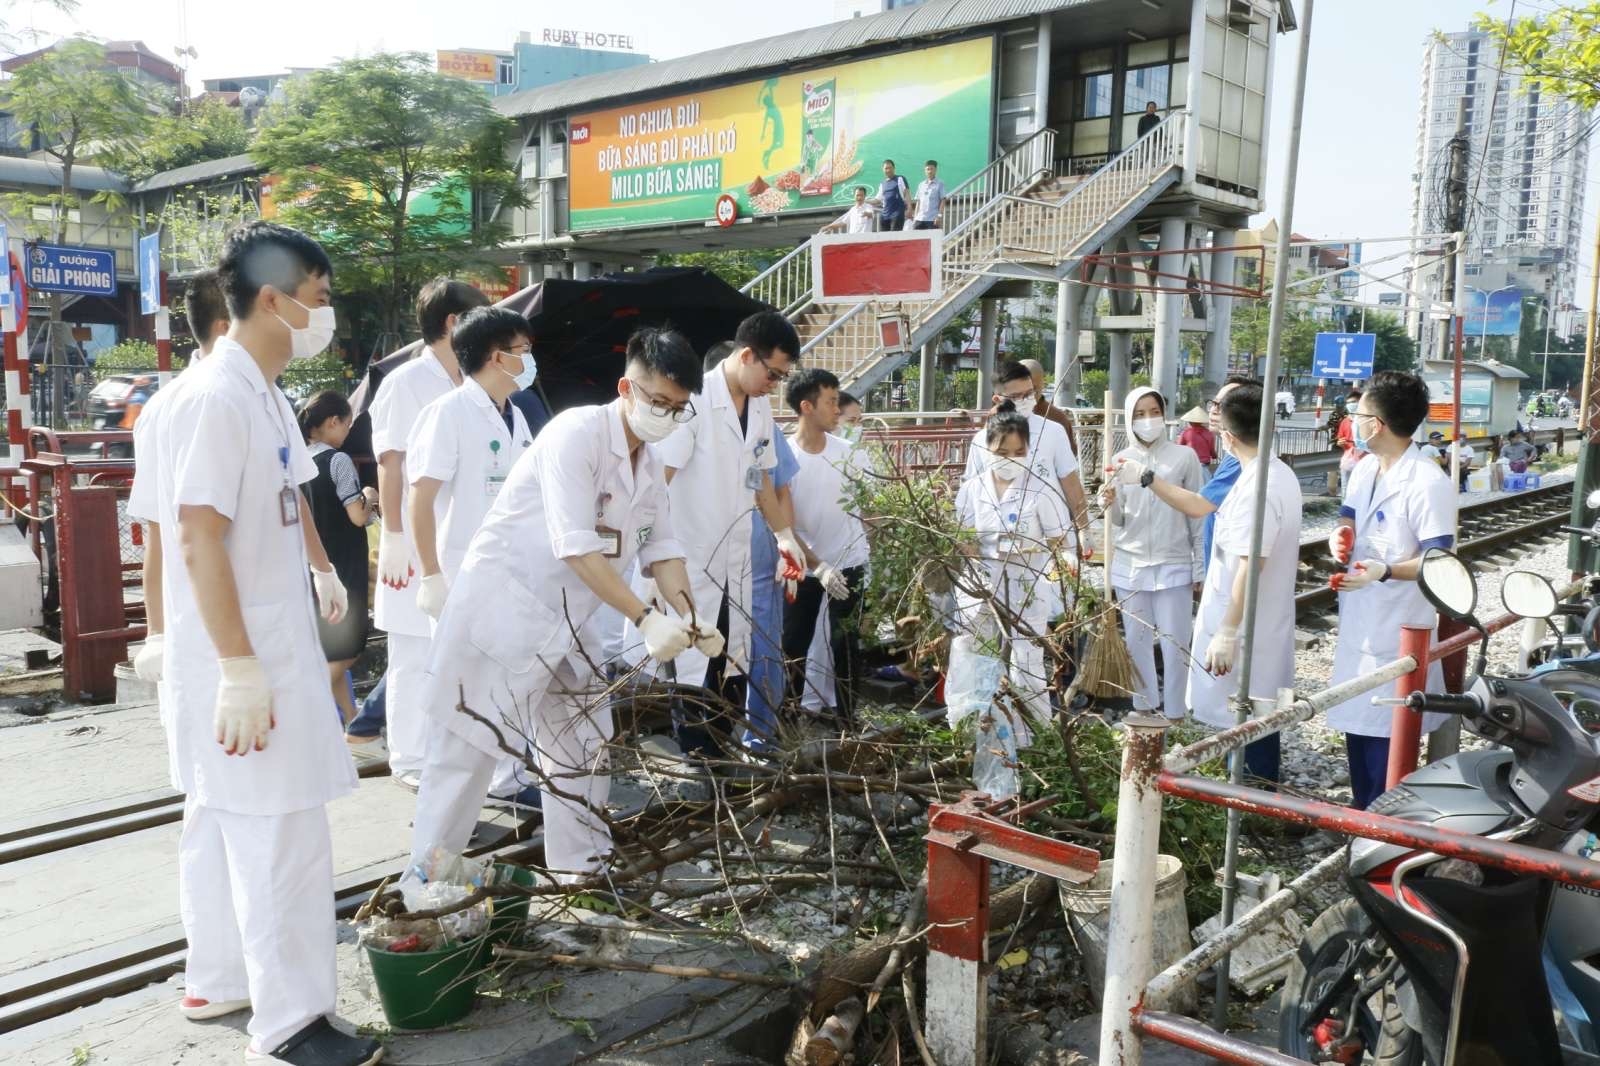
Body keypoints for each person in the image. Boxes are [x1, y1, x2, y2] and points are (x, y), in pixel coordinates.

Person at [144, 221, 379, 1065]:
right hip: (246, 661)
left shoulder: (264, 395)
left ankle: (223, 977)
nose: (329, 314)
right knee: (280, 836)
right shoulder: (214, 399)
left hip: (271, 645)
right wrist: (237, 665)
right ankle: (290, 1027)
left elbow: (282, 509)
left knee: (224, 822)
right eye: (319, 297)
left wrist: (318, 573)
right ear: (274, 300)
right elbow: (195, 537)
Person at [409, 328, 705, 882]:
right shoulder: (577, 434)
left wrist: (688, 615)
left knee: (585, 741)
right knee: (467, 754)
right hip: (505, 612)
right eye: (659, 403)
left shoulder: (648, 462)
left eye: (678, 408)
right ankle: (423, 889)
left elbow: (662, 548)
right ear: (626, 388)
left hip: (571, 622)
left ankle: (582, 870)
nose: (666, 416)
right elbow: (575, 544)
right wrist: (644, 618)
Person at [642, 311, 808, 755]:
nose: (775, 383)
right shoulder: (694, 401)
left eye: (782, 377)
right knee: (694, 664)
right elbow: (660, 483)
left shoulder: (759, 407)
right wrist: (649, 553)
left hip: (735, 561)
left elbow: (764, 483)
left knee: (730, 659)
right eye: (772, 373)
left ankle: (719, 747)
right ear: (747, 355)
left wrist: (784, 535)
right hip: (691, 560)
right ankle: (698, 756)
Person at [405, 306, 538, 808]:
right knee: (457, 690)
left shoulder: (517, 416)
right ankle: (439, 803)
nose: (529, 360)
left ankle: (508, 779)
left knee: (506, 682)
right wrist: (431, 575)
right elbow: (420, 499)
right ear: (496, 356)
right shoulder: (448, 414)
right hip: (459, 576)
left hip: (511, 575)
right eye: (523, 352)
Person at [363, 278, 489, 782]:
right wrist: (393, 536)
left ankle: (446, 755)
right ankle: (410, 759)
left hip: (458, 538)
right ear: (454, 324)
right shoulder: (406, 382)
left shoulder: (472, 380)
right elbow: (391, 463)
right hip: (415, 541)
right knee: (413, 652)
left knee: (452, 652)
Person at [1323, 372, 1457, 809]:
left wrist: (1385, 571)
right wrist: (1340, 536)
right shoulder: (1364, 469)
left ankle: (1383, 835)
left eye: (1359, 415)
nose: (1353, 422)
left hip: (1398, 626)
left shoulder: (1427, 481)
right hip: (1361, 619)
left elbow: (1439, 562)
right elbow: (1349, 518)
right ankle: (1362, 821)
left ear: (1376, 423)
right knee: (1356, 730)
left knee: (1388, 742)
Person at [1179, 384, 1299, 784]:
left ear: (1228, 437)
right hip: (1254, 620)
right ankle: (1250, 794)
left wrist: (1228, 631)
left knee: (1248, 720)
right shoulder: (1270, 473)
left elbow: (1251, 564)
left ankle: (1252, 801)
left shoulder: (1258, 487)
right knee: (1248, 717)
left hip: (1248, 626)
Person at [131, 270, 231, 687]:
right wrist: (155, 633)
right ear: (226, 326)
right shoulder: (168, 406)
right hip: (197, 619)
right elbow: (159, 527)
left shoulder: (264, 395)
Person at [954, 403, 1070, 745]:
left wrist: (1061, 558)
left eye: (1019, 452)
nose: (1010, 458)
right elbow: (961, 536)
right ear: (987, 449)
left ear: (1028, 451)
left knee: (1027, 664)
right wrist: (974, 552)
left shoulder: (1040, 489)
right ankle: (979, 737)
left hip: (1025, 588)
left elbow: (1060, 538)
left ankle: (1035, 740)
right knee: (981, 661)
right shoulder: (973, 489)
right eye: (1002, 451)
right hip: (982, 588)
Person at [1101, 387, 1204, 721]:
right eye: (1140, 414)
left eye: (1154, 411)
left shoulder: (1183, 457)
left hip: (1174, 563)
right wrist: (1109, 501)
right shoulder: (1118, 461)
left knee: (1176, 644)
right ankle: (1143, 706)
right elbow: (1118, 520)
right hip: (1130, 564)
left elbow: (1197, 513)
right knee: (1137, 642)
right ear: (1129, 420)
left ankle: (1175, 712)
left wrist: (1199, 567)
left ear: (1164, 414)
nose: (1148, 420)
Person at [783, 368, 872, 719]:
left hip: (850, 563)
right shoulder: (785, 457)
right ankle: (787, 720)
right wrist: (817, 565)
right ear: (807, 406)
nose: (838, 410)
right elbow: (783, 525)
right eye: (831, 402)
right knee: (794, 643)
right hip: (802, 566)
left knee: (845, 644)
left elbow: (872, 510)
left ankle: (848, 721)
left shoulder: (851, 454)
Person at [299, 391, 377, 726]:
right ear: (333, 422)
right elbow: (357, 517)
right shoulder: (338, 461)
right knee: (349, 649)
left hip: (316, 564)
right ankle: (304, 705)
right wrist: (371, 496)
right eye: (346, 425)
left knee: (331, 646)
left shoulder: (300, 462)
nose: (347, 433)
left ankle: (352, 719)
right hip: (345, 563)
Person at [961, 361, 1089, 553]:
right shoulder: (982, 440)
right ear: (998, 399)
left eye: (1029, 393)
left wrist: (1084, 529)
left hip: (1050, 541)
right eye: (1016, 396)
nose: (1026, 400)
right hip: (995, 548)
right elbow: (971, 490)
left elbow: (1070, 482)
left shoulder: (1052, 431)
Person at [1018, 357, 1080, 457]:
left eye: (1034, 389)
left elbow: (1068, 458)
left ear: (1043, 384)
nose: (1027, 395)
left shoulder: (1057, 418)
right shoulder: (1000, 414)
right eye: (1020, 388)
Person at [1336, 385, 1367, 492]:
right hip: (1348, 461)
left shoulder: (1368, 421)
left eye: (1354, 402)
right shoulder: (1345, 422)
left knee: (1363, 490)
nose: (1351, 405)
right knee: (1346, 490)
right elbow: (1340, 441)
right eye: (1348, 403)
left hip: (1366, 462)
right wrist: (1341, 443)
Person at [1176, 405, 1217, 472]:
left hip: (1190, 464)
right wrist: (1215, 456)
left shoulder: (1186, 433)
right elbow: (1212, 452)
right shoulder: (1209, 433)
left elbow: (1179, 448)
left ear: (1190, 422)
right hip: (1204, 464)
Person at [910, 159, 946, 230]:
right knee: (917, 239)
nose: (929, 171)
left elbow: (943, 200)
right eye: (927, 169)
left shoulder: (940, 184)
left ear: (935, 170)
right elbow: (918, 202)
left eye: (931, 169)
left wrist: (939, 216)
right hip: (919, 219)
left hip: (932, 219)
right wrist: (915, 217)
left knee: (932, 240)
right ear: (925, 171)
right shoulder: (921, 185)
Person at [878, 159, 909, 232]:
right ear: (883, 170)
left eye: (890, 168)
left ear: (894, 168)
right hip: (885, 216)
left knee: (894, 238)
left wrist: (909, 208)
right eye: (886, 168)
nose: (888, 170)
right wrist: (865, 201)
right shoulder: (882, 184)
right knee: (885, 239)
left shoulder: (900, 178)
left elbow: (907, 193)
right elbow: (877, 199)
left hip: (897, 214)